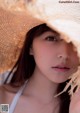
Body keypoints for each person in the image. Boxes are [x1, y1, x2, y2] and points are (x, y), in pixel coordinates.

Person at [0, 23, 80, 113]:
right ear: (30, 47)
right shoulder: (4, 103)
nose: (65, 54)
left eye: (74, 41)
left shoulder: (76, 105)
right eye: (51, 38)